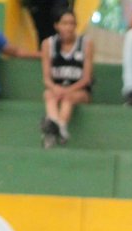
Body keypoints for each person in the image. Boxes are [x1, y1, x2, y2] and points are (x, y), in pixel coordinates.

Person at [40, 10, 94, 148]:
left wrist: (67, 90)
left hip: (79, 91)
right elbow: (46, 79)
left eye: (72, 23)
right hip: (57, 89)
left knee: (67, 98)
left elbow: (86, 78)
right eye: (64, 23)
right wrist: (56, 88)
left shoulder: (86, 44)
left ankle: (57, 126)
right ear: (56, 25)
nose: (69, 27)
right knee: (48, 94)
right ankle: (57, 127)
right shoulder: (48, 44)